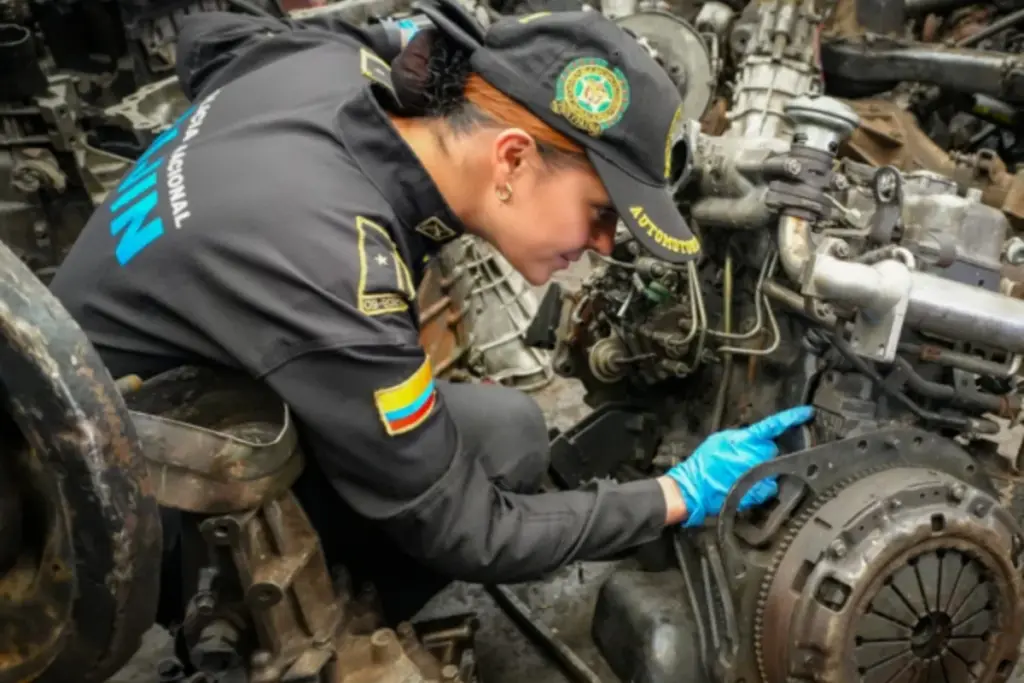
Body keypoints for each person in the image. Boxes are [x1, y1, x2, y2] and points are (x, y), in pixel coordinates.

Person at [49, 2, 814, 622]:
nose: (601, 247)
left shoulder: (330, 65)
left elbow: (212, 40)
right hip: (109, 531)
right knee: (470, 484)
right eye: (600, 213)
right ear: (511, 159)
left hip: (146, 401)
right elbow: (470, 531)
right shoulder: (335, 267)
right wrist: (677, 493)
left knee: (508, 431)